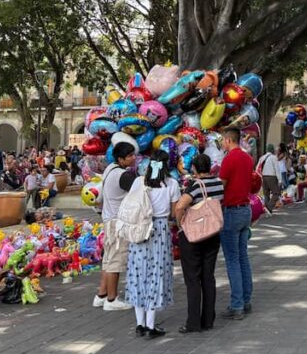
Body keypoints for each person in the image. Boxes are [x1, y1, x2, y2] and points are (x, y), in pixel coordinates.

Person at [126, 149, 181, 337]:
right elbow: (174, 213)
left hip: (140, 229)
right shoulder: (172, 184)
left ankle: (139, 323)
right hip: (160, 229)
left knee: (138, 273)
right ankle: (150, 325)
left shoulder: (139, 182)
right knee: (156, 275)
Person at [174, 153, 225, 333]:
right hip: (213, 234)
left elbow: (180, 206)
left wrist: (179, 223)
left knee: (193, 278)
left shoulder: (195, 186)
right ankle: (208, 319)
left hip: (194, 236)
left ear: (194, 168)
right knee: (208, 276)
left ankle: (193, 322)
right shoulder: (219, 183)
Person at [94, 142, 137, 312]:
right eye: (130, 156)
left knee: (108, 259)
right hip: (117, 222)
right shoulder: (123, 175)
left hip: (109, 219)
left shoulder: (110, 169)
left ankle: (102, 294)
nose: (134, 158)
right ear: (120, 159)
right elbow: (139, 190)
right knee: (116, 262)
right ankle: (112, 299)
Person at [218, 127, 255, 319]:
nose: (222, 144)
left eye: (223, 141)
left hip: (231, 211)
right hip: (245, 209)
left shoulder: (229, 159)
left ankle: (237, 305)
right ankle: (246, 300)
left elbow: (221, 185)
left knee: (232, 259)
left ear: (227, 140)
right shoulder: (247, 158)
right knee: (242, 257)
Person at [255, 144, 281, 212]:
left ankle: (267, 210)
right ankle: (269, 207)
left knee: (266, 194)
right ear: (272, 150)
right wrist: (280, 180)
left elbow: (257, 168)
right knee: (276, 193)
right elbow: (277, 169)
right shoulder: (274, 157)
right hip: (272, 177)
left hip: (263, 177)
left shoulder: (262, 157)